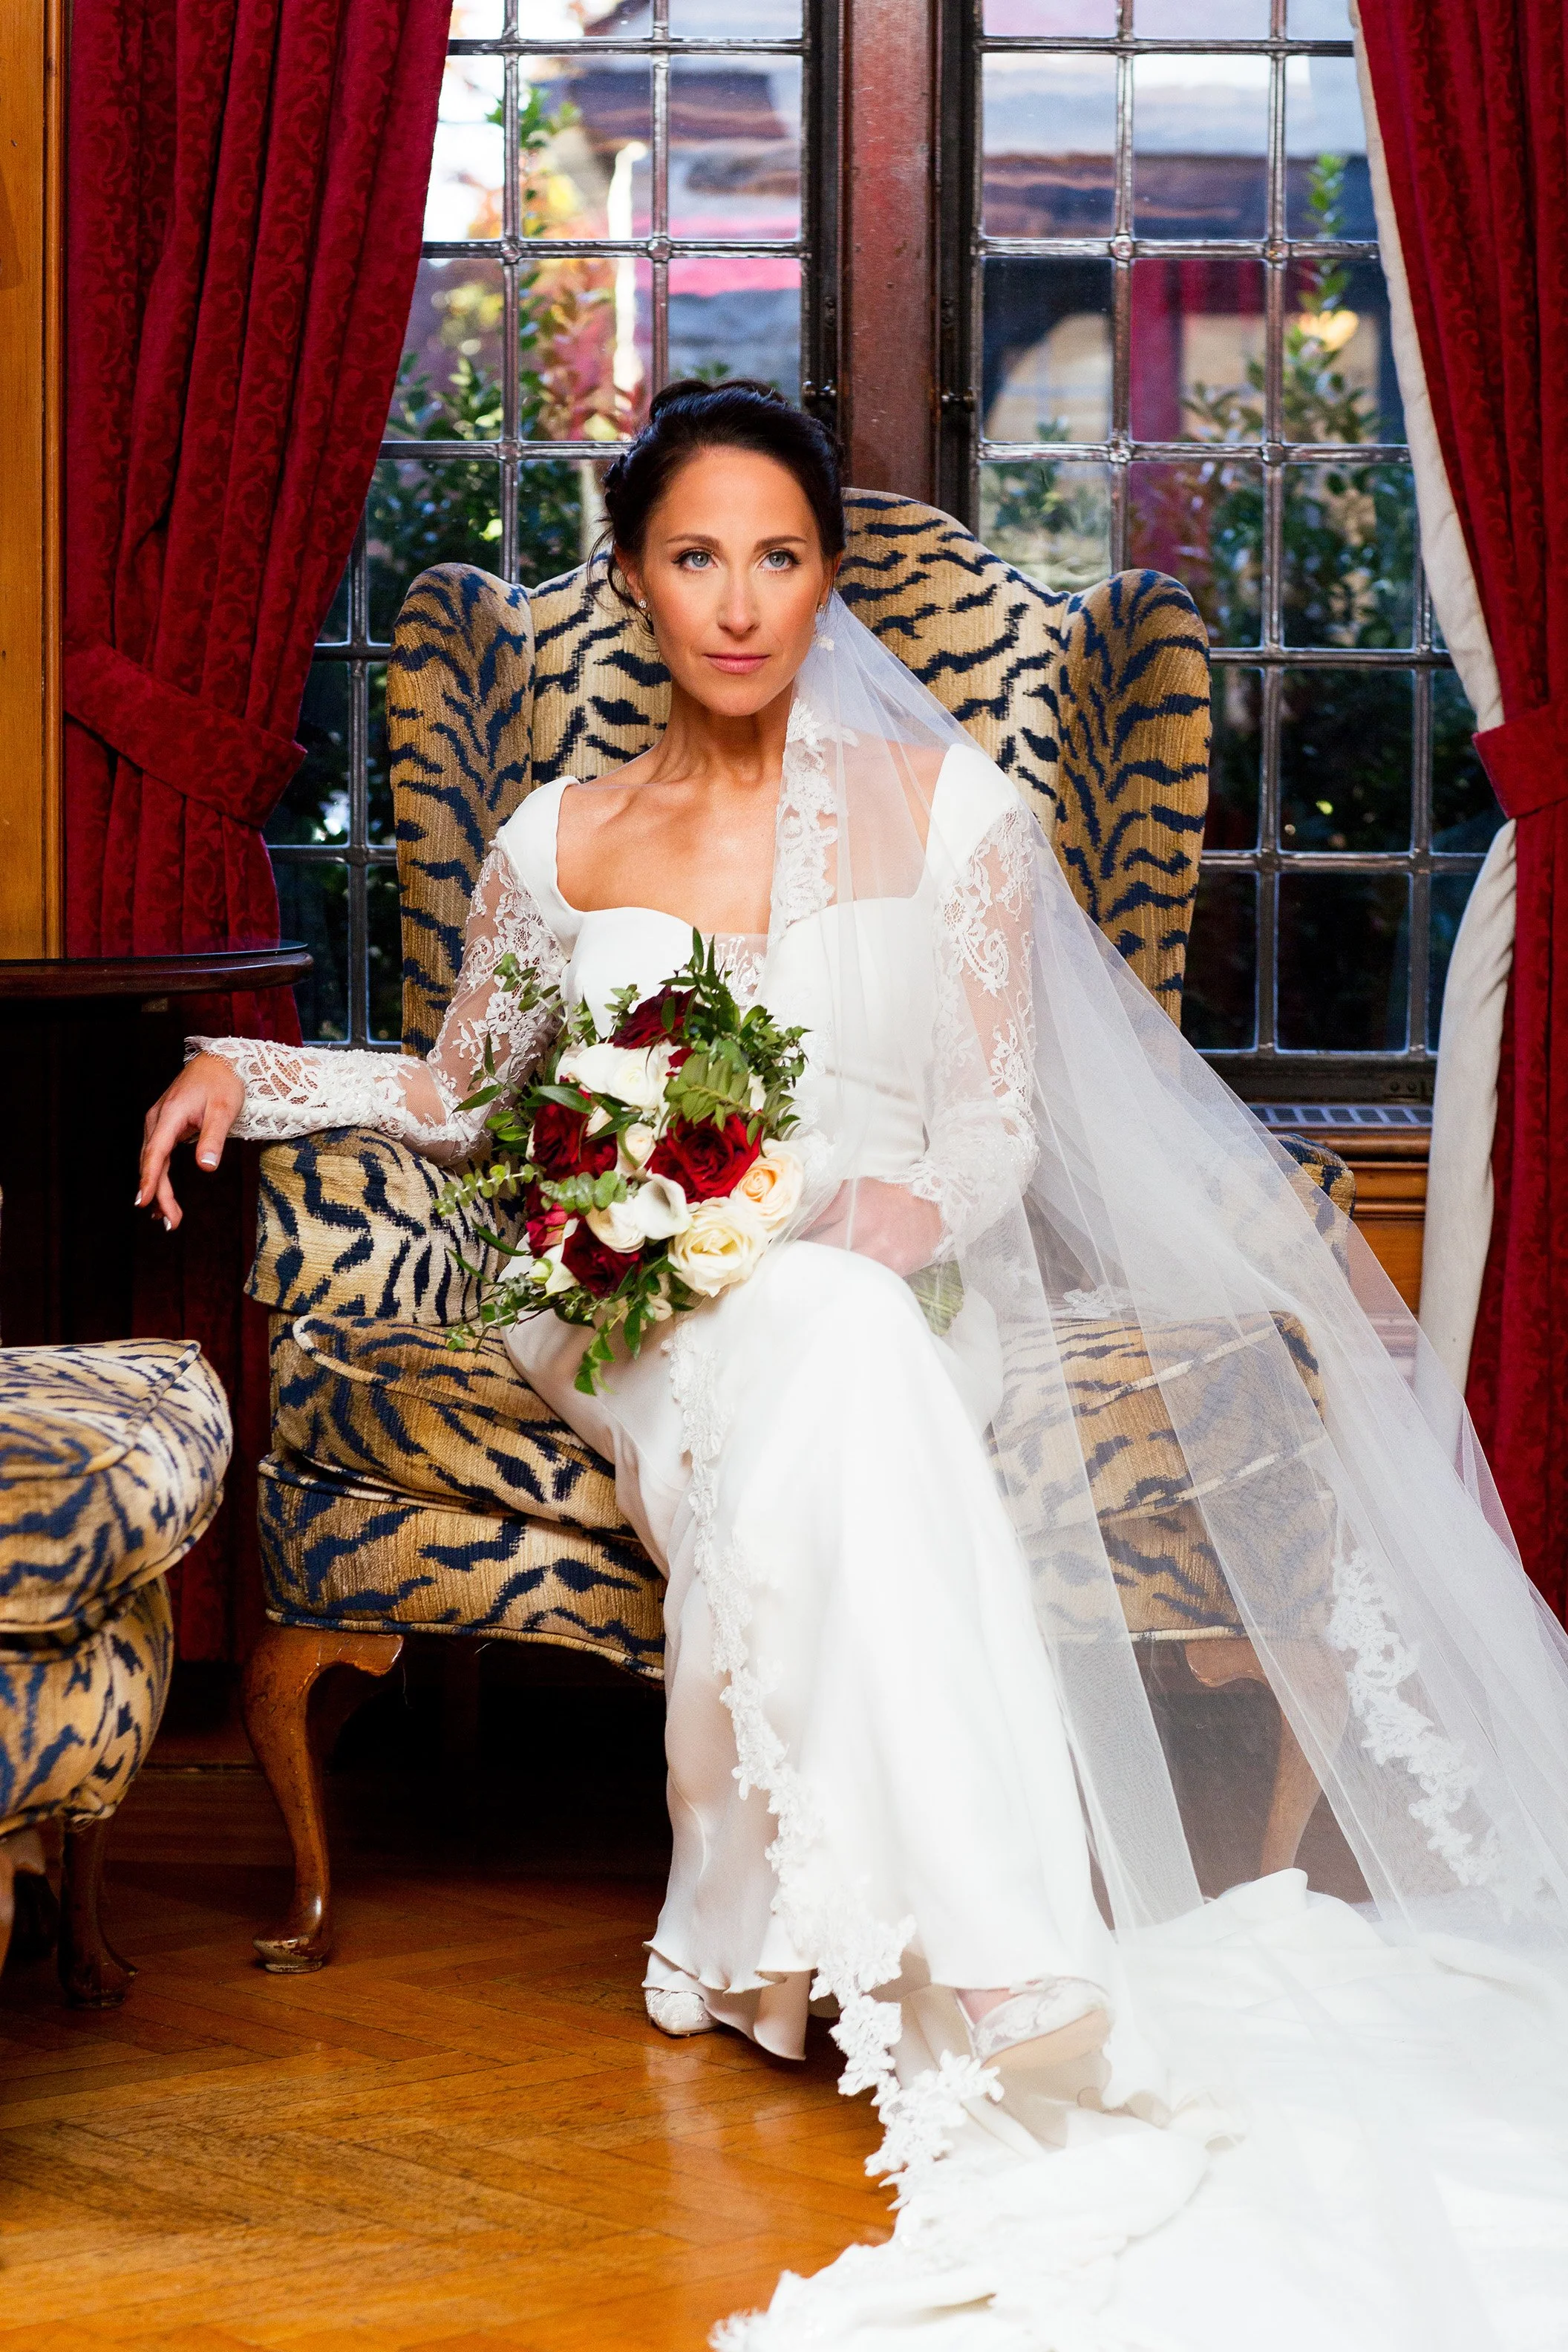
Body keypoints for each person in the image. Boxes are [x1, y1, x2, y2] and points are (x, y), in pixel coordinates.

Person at [140, 383, 1568, 2348]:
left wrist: (893, 1219)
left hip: (902, 1296)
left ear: (832, 578)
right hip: (633, 1308)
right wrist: (250, 1069)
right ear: (635, 577)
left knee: (834, 1332)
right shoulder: (563, 842)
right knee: (793, 1335)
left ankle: (805, 1948)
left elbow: (992, 1124)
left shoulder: (958, 818)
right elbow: (462, 1096)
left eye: (781, 555)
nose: (738, 600)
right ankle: (1001, 1964)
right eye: (695, 554)